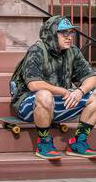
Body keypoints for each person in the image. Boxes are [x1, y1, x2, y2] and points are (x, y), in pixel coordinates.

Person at [10, 15, 96, 159]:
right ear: (51, 34)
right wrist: (63, 91)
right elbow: (34, 84)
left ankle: (78, 142)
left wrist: (80, 91)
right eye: (64, 33)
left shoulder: (73, 52)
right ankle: (44, 142)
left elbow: (91, 78)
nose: (69, 37)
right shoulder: (37, 50)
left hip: (59, 102)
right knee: (44, 94)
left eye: (71, 33)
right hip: (28, 105)